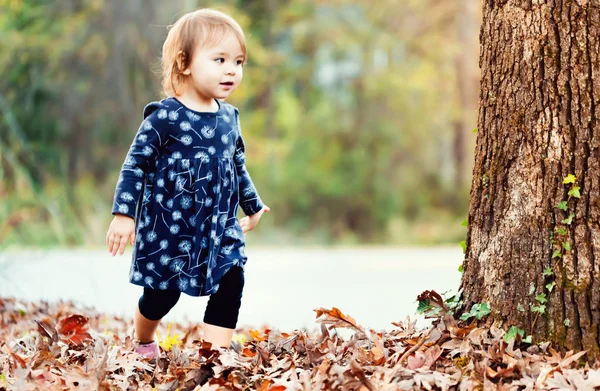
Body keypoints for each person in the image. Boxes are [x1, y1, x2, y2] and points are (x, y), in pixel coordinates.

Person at [105, 8, 269, 360]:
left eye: (238, 61)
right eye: (220, 59)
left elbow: (236, 166)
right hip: (170, 228)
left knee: (231, 280)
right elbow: (135, 166)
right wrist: (123, 213)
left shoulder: (229, 118)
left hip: (218, 228)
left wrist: (253, 205)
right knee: (161, 296)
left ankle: (215, 355)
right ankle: (144, 337)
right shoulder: (164, 117)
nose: (231, 70)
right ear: (185, 63)